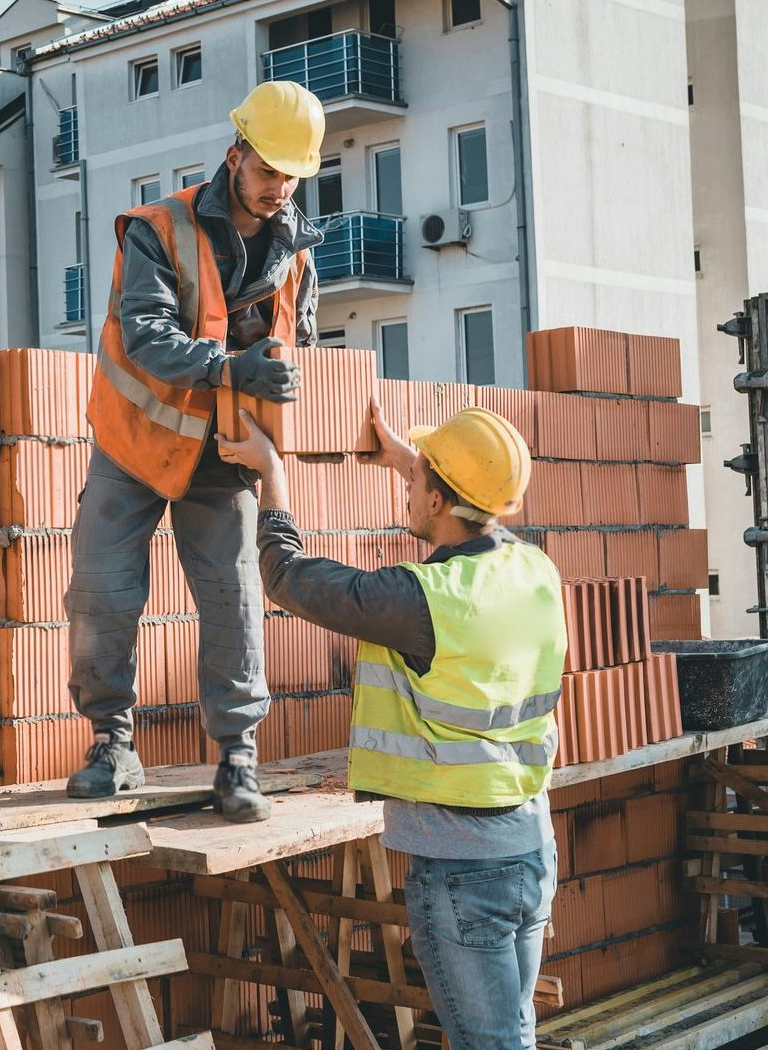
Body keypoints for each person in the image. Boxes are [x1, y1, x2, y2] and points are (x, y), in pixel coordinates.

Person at [218, 401, 566, 1050]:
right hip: (529, 848)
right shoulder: (533, 569)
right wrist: (404, 458)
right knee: (511, 1034)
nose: (408, 488)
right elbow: (466, 512)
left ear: (436, 500)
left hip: (462, 869)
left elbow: (286, 577)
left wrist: (272, 473)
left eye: (417, 481)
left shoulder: (418, 600)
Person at [64, 81, 327, 823]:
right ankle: (111, 743)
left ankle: (237, 756)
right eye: (268, 169)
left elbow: (296, 342)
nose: (279, 188)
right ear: (235, 154)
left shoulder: (297, 252)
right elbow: (147, 334)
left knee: (232, 598)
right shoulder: (158, 229)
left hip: (222, 453)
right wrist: (231, 368)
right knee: (102, 593)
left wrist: (273, 387)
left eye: (292, 175)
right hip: (135, 440)